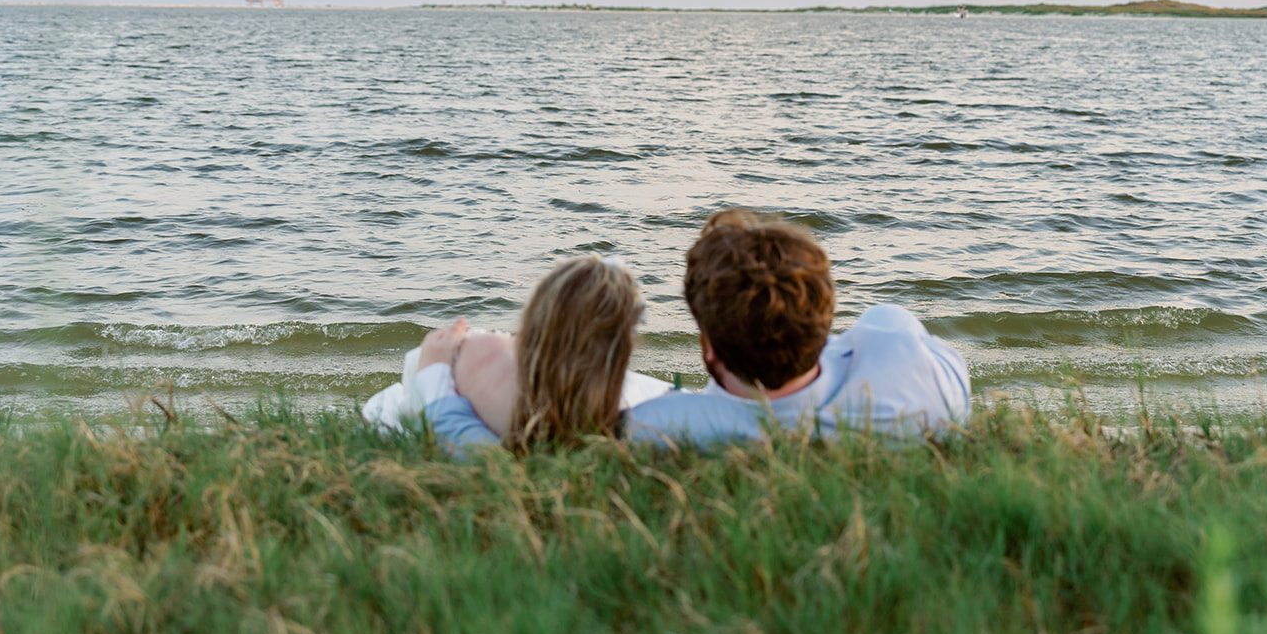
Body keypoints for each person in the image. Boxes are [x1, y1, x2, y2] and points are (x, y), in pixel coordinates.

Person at [415, 209, 971, 451]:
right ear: (822, 321)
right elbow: (899, 332)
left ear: (708, 349)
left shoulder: (662, 428)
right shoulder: (928, 378)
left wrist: (436, 380)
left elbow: (518, 463)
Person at [363, 255, 670, 449]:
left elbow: (479, 453)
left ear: (534, 321)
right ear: (623, 349)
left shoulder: (492, 396)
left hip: (449, 378)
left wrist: (434, 372)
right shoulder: (634, 422)